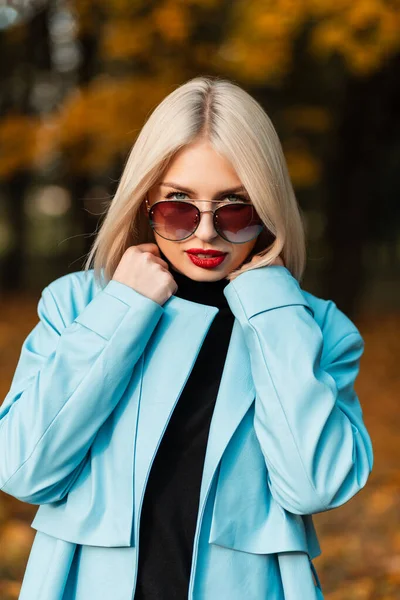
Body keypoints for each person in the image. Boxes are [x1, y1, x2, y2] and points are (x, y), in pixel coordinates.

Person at [0, 76, 373, 600]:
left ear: (267, 206)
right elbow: (22, 470)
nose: (205, 231)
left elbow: (315, 485)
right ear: (144, 199)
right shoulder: (78, 306)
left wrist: (271, 307)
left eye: (235, 206)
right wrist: (123, 311)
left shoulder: (316, 328)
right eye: (178, 204)